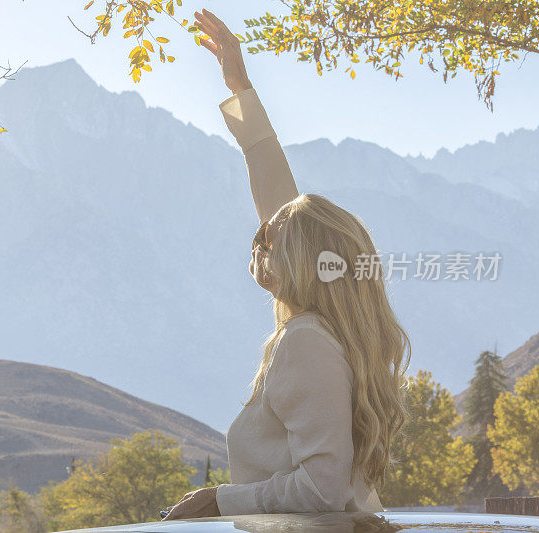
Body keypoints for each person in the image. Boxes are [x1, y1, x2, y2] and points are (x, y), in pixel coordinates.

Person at [161, 8, 412, 520]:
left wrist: (220, 500)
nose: (260, 237)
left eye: (272, 237)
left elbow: (320, 491)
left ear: (297, 262)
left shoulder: (306, 341)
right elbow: (280, 199)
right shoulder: (328, 328)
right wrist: (241, 87)